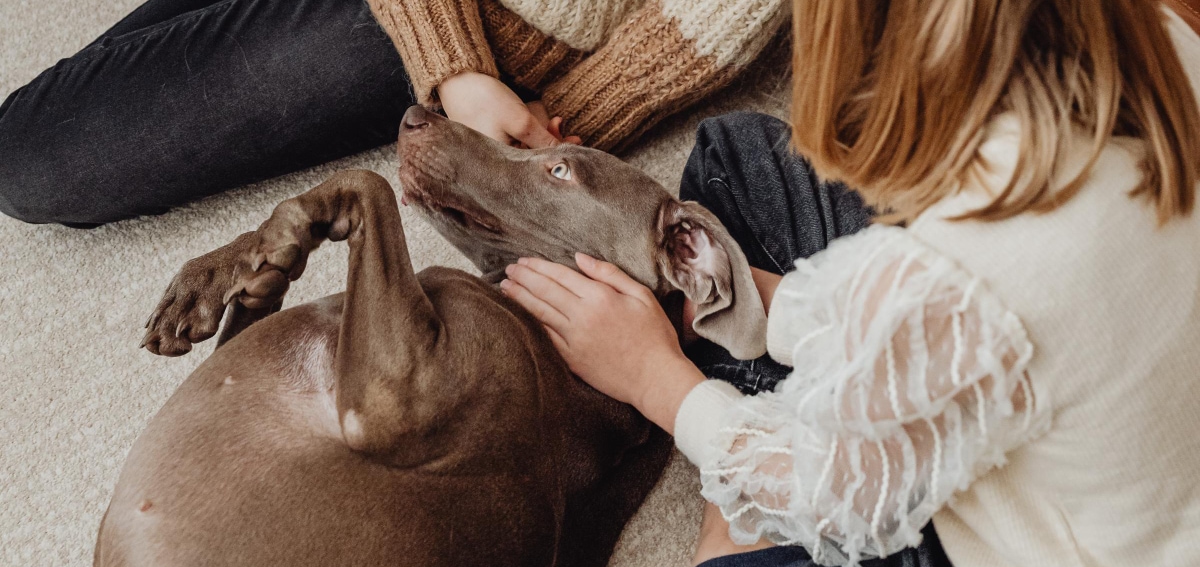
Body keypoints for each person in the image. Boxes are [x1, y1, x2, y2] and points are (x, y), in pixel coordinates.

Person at [501, 1, 1200, 567]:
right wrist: (766, 304)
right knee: (733, 160)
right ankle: (760, 355)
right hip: (1104, 427)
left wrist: (656, 380)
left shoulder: (970, 276)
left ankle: (742, 512)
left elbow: (836, 504)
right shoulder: (1158, 43)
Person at [0, 0, 788, 226]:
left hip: (508, 35)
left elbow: (695, 37)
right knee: (29, 153)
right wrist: (454, 65)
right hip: (457, 32)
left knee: (31, 155)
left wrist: (532, 134)